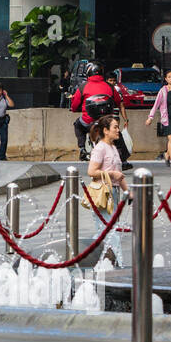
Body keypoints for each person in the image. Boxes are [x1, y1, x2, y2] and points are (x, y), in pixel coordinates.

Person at [70, 65, 131, 169]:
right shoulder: (109, 86)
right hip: (106, 120)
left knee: (78, 125)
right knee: (117, 133)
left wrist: (76, 109)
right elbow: (117, 101)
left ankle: (82, 149)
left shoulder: (83, 86)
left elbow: (74, 105)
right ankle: (124, 160)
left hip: (88, 120)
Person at [87, 114, 128, 266]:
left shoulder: (113, 148)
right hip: (103, 194)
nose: (118, 130)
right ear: (106, 130)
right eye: (115, 127)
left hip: (114, 193)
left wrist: (128, 191)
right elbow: (91, 171)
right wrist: (111, 174)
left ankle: (88, 257)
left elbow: (119, 174)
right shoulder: (100, 148)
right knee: (110, 231)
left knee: (103, 231)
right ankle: (120, 266)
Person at [146, 69, 171, 166]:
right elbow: (156, 105)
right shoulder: (163, 91)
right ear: (166, 79)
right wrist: (150, 117)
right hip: (168, 117)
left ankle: (167, 154)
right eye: (169, 77)